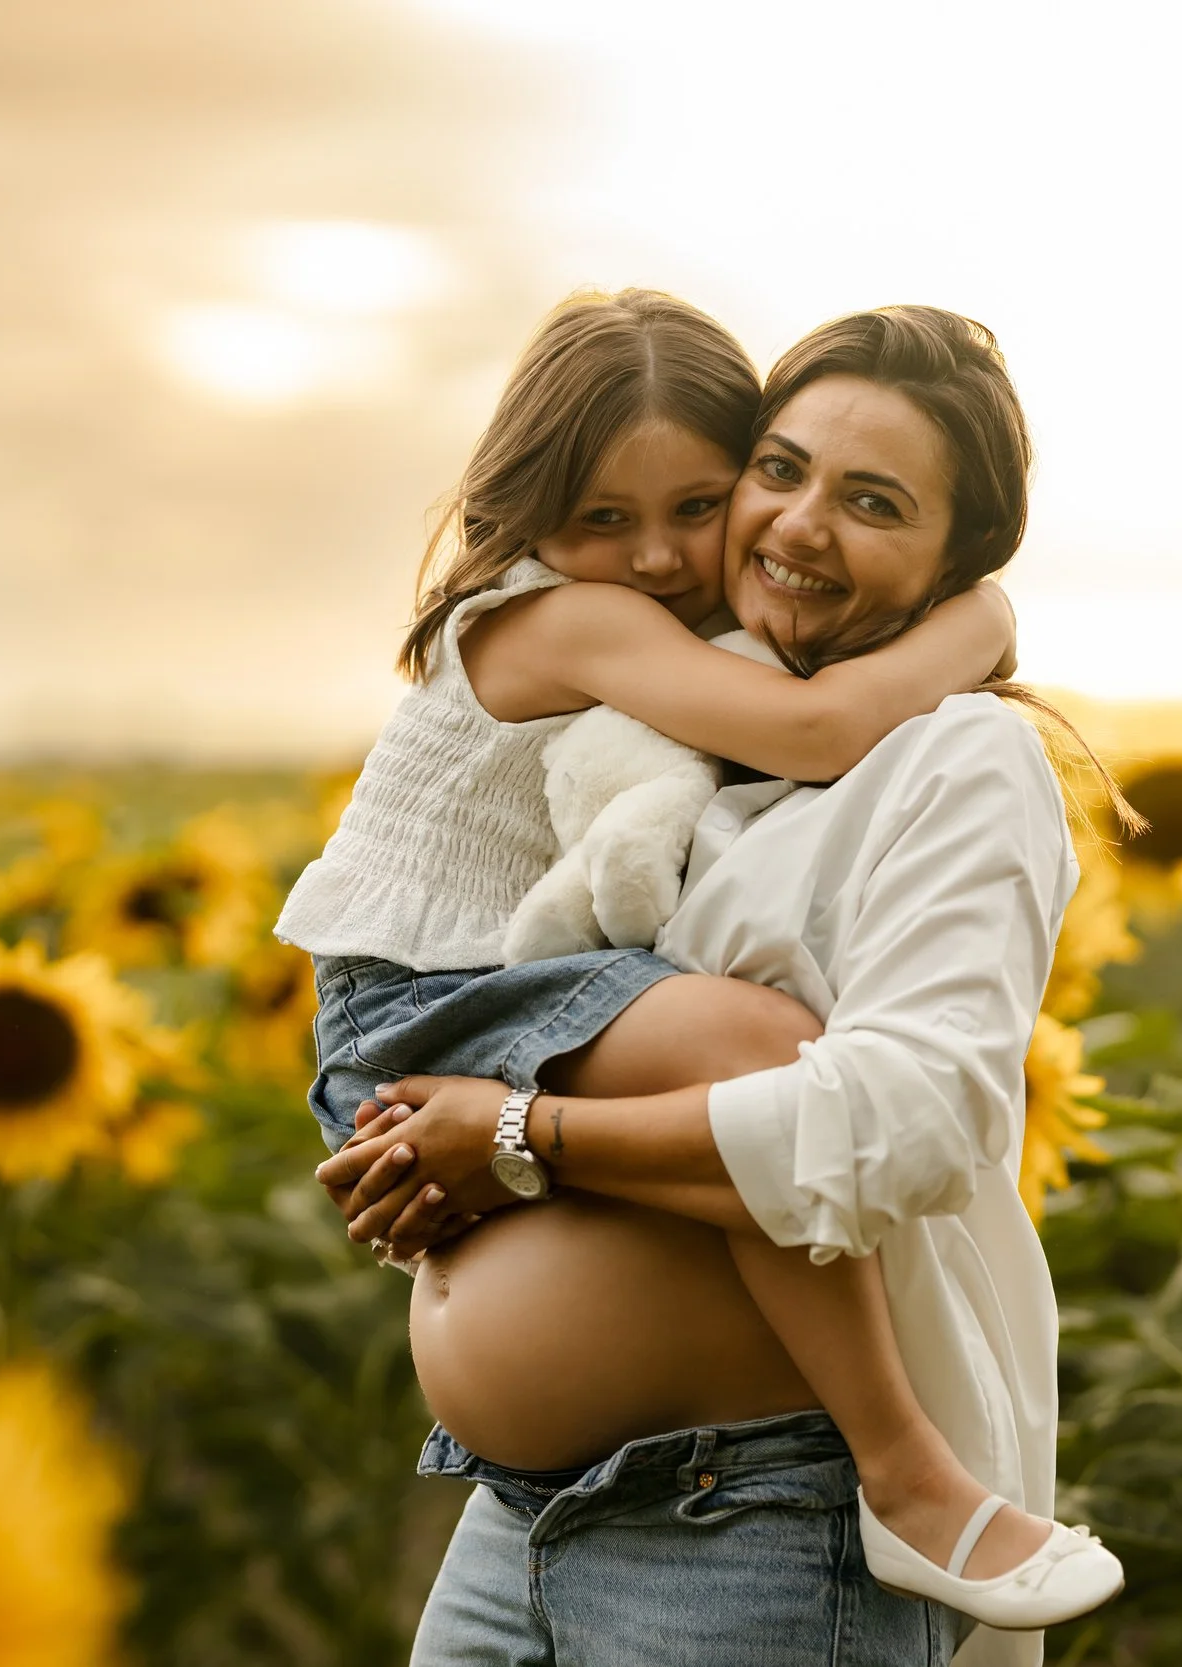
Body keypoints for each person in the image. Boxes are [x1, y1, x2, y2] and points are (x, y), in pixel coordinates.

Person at [316, 306, 1129, 1664]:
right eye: (781, 471)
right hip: (513, 1517)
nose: (801, 526)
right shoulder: (676, 717)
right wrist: (483, 1148)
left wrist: (516, 1139)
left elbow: (904, 1119)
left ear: (955, 555)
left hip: (748, 1525)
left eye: (872, 501)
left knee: (749, 1040)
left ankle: (910, 1474)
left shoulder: (954, 762)